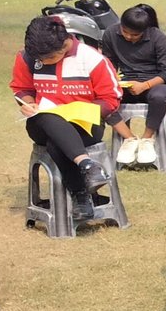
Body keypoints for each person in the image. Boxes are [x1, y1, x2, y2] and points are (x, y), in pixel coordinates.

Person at [10, 15, 119, 218]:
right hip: (41, 123)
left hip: (85, 126)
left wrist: (83, 111)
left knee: (56, 143)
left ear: (64, 45)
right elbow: (21, 88)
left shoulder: (92, 59)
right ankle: (87, 165)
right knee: (49, 117)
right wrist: (28, 103)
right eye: (39, 59)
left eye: (48, 58)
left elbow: (111, 98)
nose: (42, 62)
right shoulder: (27, 57)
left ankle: (81, 196)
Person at [102, 3, 166, 165]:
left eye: (135, 35)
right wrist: (115, 81)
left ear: (145, 31)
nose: (129, 37)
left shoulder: (157, 37)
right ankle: (129, 139)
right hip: (125, 81)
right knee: (103, 99)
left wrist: (144, 85)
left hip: (154, 82)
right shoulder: (110, 34)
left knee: (158, 97)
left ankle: (147, 140)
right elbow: (108, 65)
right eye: (125, 32)